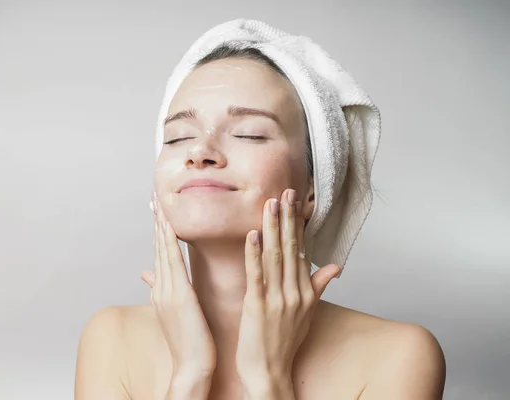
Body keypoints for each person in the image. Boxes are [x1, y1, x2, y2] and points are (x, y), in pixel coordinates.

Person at [75, 23, 446, 400]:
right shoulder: (111, 340)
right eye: (178, 137)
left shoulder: (398, 356)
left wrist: (267, 378)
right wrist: (189, 376)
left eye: (249, 133)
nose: (198, 151)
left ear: (315, 185)